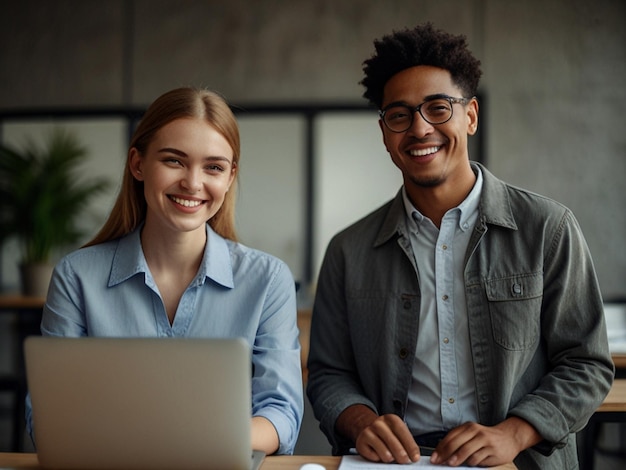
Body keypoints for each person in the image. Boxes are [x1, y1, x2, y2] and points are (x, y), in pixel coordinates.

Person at [306, 23, 613, 469]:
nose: (419, 128)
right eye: (400, 114)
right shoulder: (348, 250)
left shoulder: (548, 228)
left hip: (518, 458)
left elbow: (587, 364)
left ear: (469, 115)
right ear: (384, 132)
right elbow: (329, 372)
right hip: (395, 463)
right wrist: (359, 421)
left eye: (437, 108)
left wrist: (514, 434)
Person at [25, 87, 303, 455]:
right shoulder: (76, 277)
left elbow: (281, 414)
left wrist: (186, 440)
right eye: (174, 161)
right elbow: (46, 417)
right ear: (138, 164)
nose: (192, 183)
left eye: (214, 167)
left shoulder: (268, 280)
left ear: (230, 176)